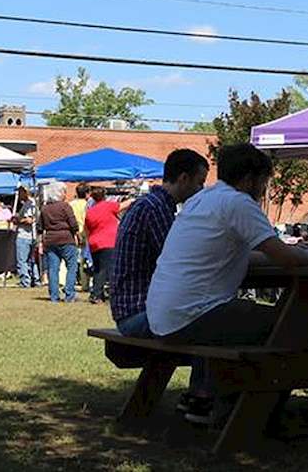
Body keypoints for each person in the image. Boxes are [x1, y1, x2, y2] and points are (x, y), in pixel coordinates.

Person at [146, 144, 308, 420]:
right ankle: (246, 410)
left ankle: (209, 399)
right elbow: (285, 257)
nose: (264, 189)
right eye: (264, 182)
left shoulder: (204, 199)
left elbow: (246, 255)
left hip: (163, 314)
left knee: (256, 317)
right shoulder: (239, 203)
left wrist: (295, 255)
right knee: (295, 324)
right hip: (193, 315)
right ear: (249, 179)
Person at [109, 149, 210, 420]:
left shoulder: (152, 205)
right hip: (138, 314)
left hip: (133, 309)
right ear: (184, 178)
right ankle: (201, 397)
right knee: (213, 321)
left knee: (208, 315)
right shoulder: (155, 209)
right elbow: (179, 261)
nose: (201, 189)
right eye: (200, 182)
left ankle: (199, 395)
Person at [84, 186, 127, 304]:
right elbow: (122, 206)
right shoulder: (108, 206)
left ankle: (99, 293)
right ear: (104, 196)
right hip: (108, 242)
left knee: (98, 269)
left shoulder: (90, 212)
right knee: (106, 269)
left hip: (94, 243)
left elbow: (86, 230)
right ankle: (96, 295)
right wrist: (133, 200)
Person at [38, 181, 80, 303]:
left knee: (53, 269)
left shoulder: (44, 208)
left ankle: (54, 296)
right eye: (64, 192)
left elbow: (40, 227)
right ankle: (69, 294)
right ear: (60, 193)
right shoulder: (65, 206)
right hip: (66, 239)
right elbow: (73, 223)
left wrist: (41, 242)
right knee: (72, 266)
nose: (65, 194)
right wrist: (77, 235)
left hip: (50, 240)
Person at [13, 185, 38, 288]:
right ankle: (34, 279)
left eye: (20, 193)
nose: (18, 195)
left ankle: (25, 281)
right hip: (30, 236)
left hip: (25, 235)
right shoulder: (28, 204)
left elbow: (29, 220)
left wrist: (18, 220)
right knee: (30, 260)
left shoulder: (31, 204)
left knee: (22, 260)